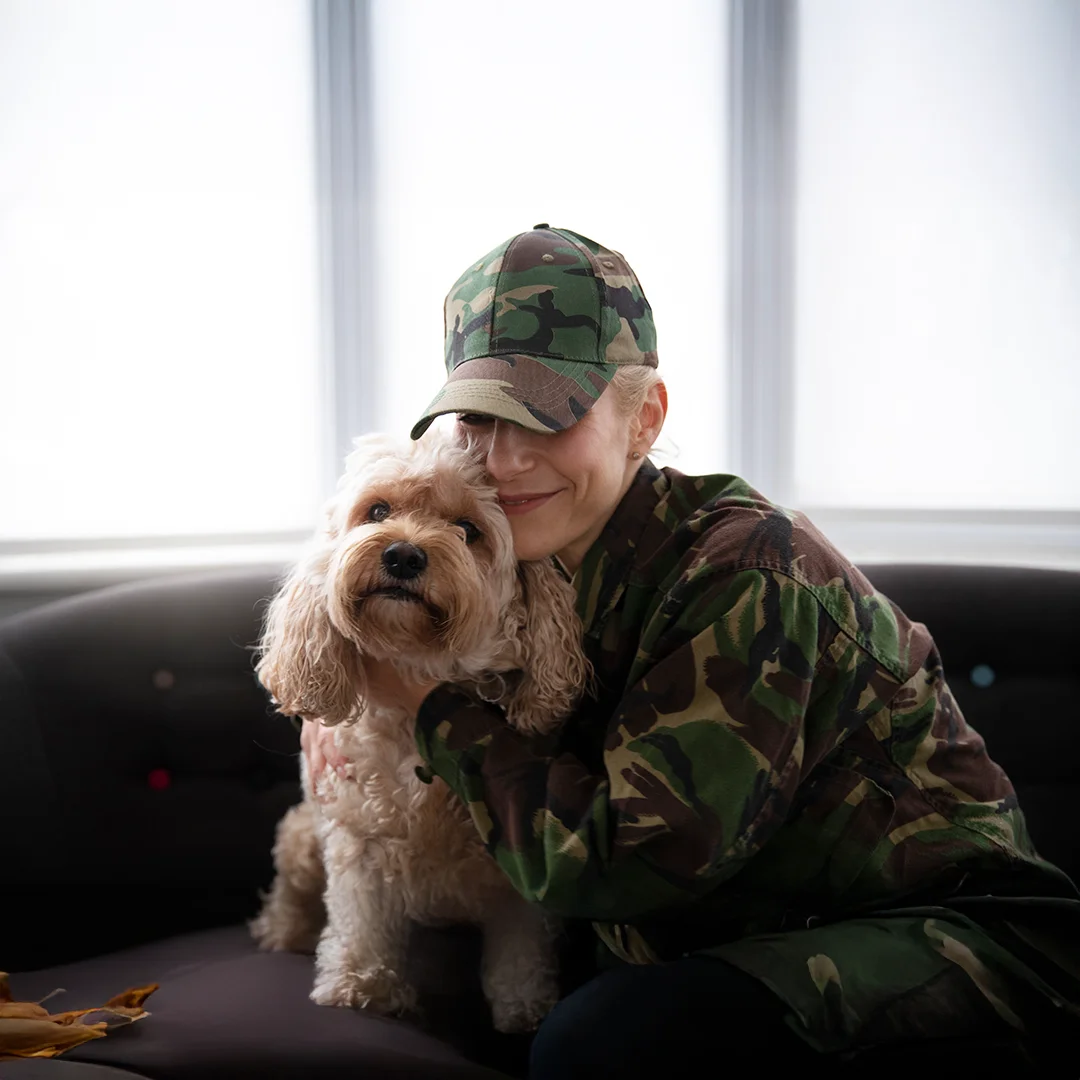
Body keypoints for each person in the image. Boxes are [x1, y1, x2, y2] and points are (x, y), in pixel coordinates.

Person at [303, 225, 1080, 1077]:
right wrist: (354, 696)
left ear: (645, 419)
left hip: (948, 935)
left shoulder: (751, 574)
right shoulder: (528, 566)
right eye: (480, 419)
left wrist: (425, 711)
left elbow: (632, 861)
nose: (508, 456)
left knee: (597, 1046)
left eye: (552, 415)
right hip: (730, 927)